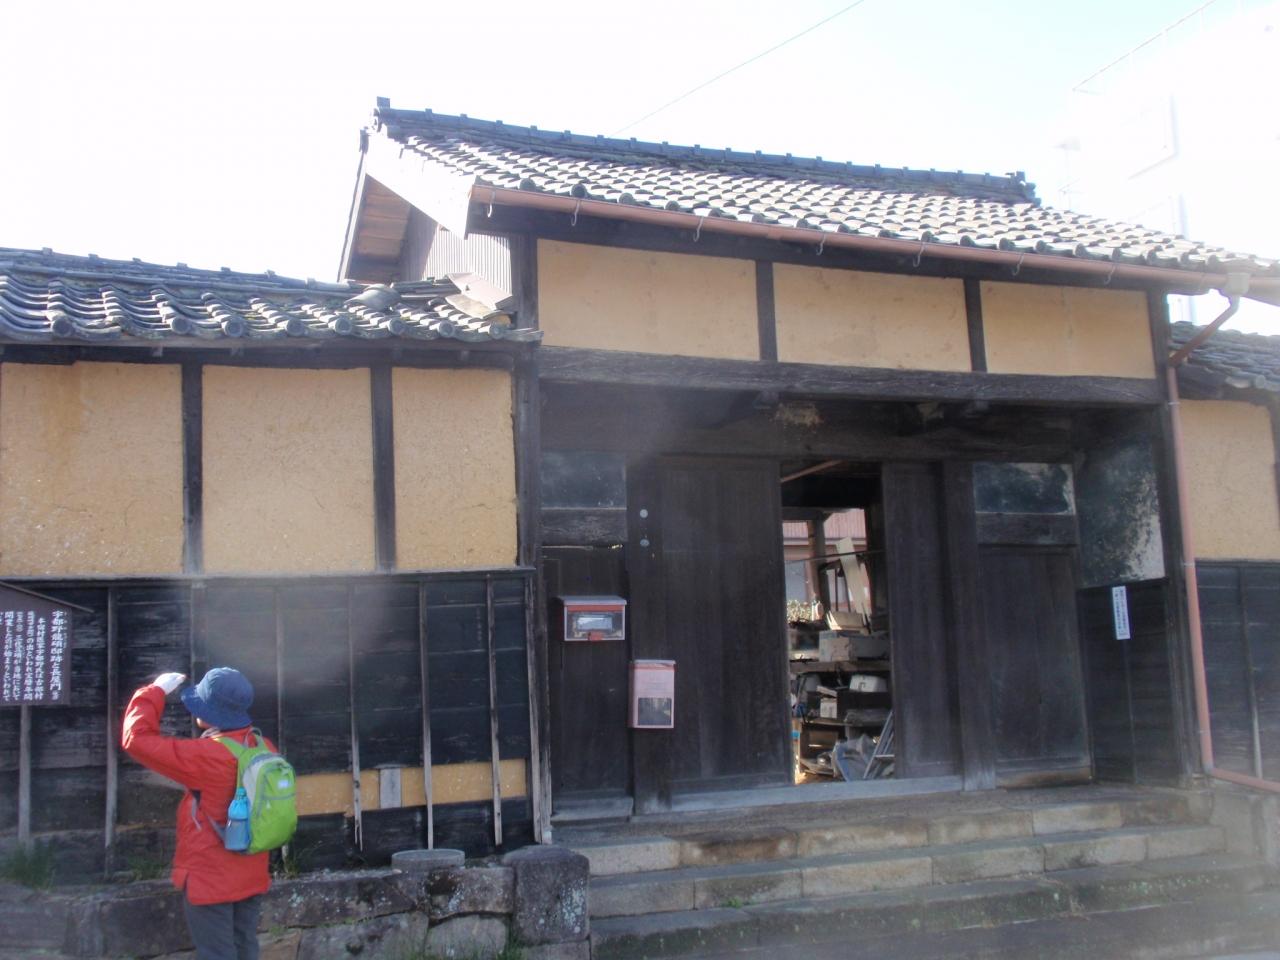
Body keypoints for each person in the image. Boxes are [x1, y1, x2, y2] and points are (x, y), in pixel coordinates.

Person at [121, 667, 271, 960]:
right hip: (252, 868)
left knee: (217, 953)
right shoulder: (263, 747)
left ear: (211, 712)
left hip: (210, 877)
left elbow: (136, 739)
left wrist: (154, 692)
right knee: (245, 946)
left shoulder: (205, 757)